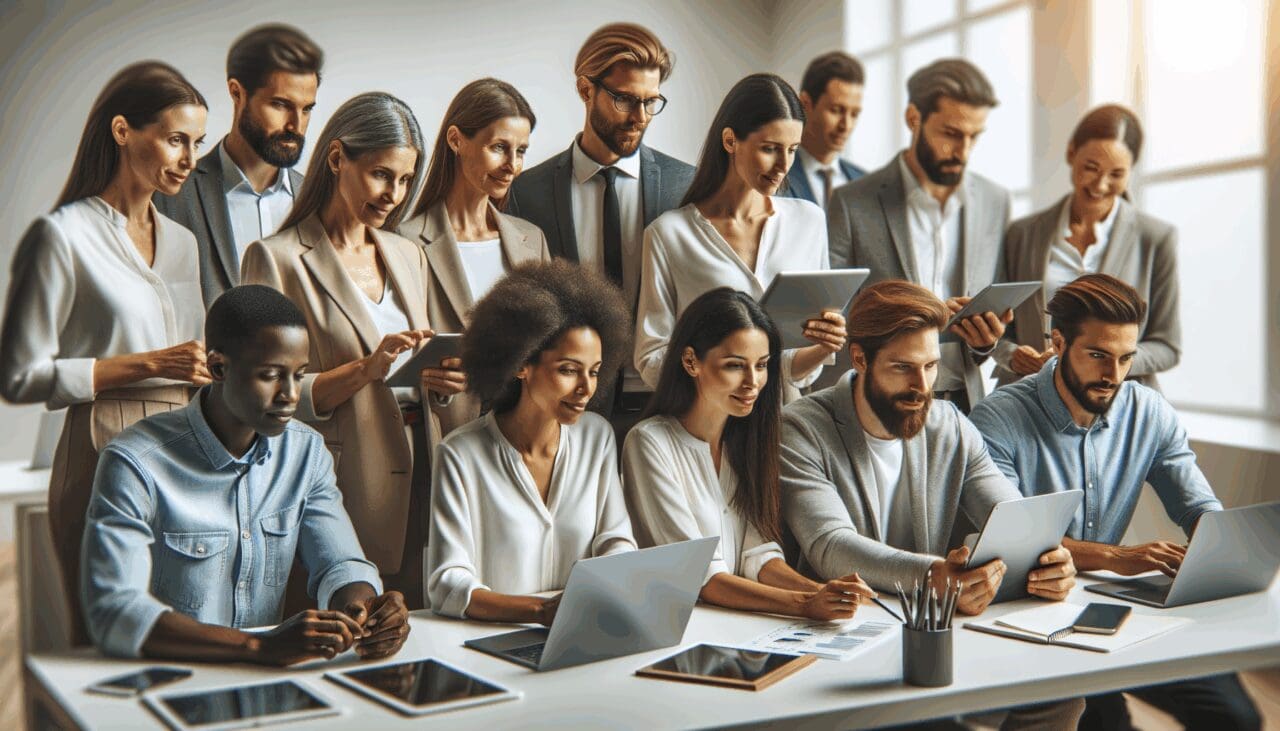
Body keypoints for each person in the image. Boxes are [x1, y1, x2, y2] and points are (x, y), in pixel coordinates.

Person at [781, 280, 1083, 730]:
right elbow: (830, 546)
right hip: (845, 631)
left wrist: (1049, 560)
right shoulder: (801, 428)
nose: (921, 386)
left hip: (937, 628)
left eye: (931, 366)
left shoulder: (949, 424)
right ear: (859, 358)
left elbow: (1012, 517)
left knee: (1060, 694)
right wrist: (933, 576)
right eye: (903, 367)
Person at [968, 274, 1259, 731]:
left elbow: (1198, 506)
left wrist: (1218, 549)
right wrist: (1117, 557)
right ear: (1059, 343)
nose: (1114, 375)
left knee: (1233, 716)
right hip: (1031, 611)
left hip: (1115, 607)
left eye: (1127, 358)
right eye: (1099, 356)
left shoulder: (1150, 411)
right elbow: (1016, 543)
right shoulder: (997, 419)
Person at [81, 285, 410, 664]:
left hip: (269, 690)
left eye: (299, 375)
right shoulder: (134, 461)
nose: (289, 394)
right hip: (171, 685)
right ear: (218, 367)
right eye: (271, 375)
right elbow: (114, 610)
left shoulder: (306, 452)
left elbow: (340, 563)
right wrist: (258, 647)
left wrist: (365, 608)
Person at [0, 62, 209, 640]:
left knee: (189, 634)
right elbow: (18, 376)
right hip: (100, 447)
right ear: (122, 131)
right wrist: (148, 365)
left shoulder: (183, 244)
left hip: (187, 456)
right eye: (174, 140)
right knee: (112, 642)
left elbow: (190, 359)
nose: (189, 159)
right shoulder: (62, 236)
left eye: (198, 142)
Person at [241, 92, 455, 609]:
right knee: (340, 629)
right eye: (382, 175)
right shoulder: (277, 260)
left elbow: (411, 374)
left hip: (422, 467)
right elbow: (260, 396)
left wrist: (439, 383)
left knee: (408, 631)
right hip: (340, 481)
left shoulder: (408, 255)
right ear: (337, 158)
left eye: (406, 180)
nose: (395, 195)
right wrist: (366, 369)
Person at [623, 288, 876, 619]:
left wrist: (826, 591)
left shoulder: (747, 440)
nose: (753, 382)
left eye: (762, 365)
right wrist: (805, 605)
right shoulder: (649, 443)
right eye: (734, 366)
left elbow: (757, 556)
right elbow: (703, 579)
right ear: (690, 361)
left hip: (739, 624)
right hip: (681, 626)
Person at [507, 22, 694, 429]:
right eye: (625, 100)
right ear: (585, 89)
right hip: (567, 411)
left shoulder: (687, 186)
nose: (640, 118)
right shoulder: (528, 192)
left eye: (651, 102)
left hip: (667, 403)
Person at [427, 260, 636, 622]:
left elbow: (616, 540)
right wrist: (541, 611)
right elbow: (447, 583)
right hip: (487, 643)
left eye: (595, 372)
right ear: (522, 363)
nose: (587, 389)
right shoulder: (460, 455)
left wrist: (597, 592)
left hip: (580, 632)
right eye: (568, 370)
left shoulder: (596, 437)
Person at [634, 73, 846, 403]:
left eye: (792, 149)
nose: (783, 166)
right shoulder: (669, 234)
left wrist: (823, 346)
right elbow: (651, 358)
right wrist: (723, 376)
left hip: (784, 423)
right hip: (706, 426)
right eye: (769, 149)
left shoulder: (809, 221)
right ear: (731, 140)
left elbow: (792, 370)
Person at [827, 59, 1013, 413]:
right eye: (952, 134)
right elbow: (834, 316)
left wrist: (986, 342)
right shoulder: (852, 202)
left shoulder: (995, 202)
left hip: (965, 402)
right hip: (879, 401)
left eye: (974, 136)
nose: (964, 151)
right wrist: (918, 316)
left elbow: (996, 302)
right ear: (914, 118)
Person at [992, 105, 1180, 389]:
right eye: (1091, 168)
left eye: (1116, 174)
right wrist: (1011, 356)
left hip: (1119, 404)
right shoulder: (1022, 234)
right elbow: (999, 330)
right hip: (1030, 399)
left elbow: (1167, 346)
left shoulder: (1156, 238)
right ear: (1071, 153)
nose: (1101, 185)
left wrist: (1106, 360)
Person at [399, 78, 549, 435]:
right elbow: (398, 355)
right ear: (456, 140)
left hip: (524, 432)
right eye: (499, 147)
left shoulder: (532, 239)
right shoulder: (404, 242)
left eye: (522, 151)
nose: (512, 164)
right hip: (445, 433)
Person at [155, 24, 323, 308]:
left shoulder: (319, 202)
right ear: (237, 93)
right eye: (281, 105)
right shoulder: (169, 195)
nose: (296, 125)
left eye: (306, 109)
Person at [778, 51, 866, 208]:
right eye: (836, 110)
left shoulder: (866, 185)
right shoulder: (774, 174)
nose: (846, 125)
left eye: (854, 114)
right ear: (805, 103)